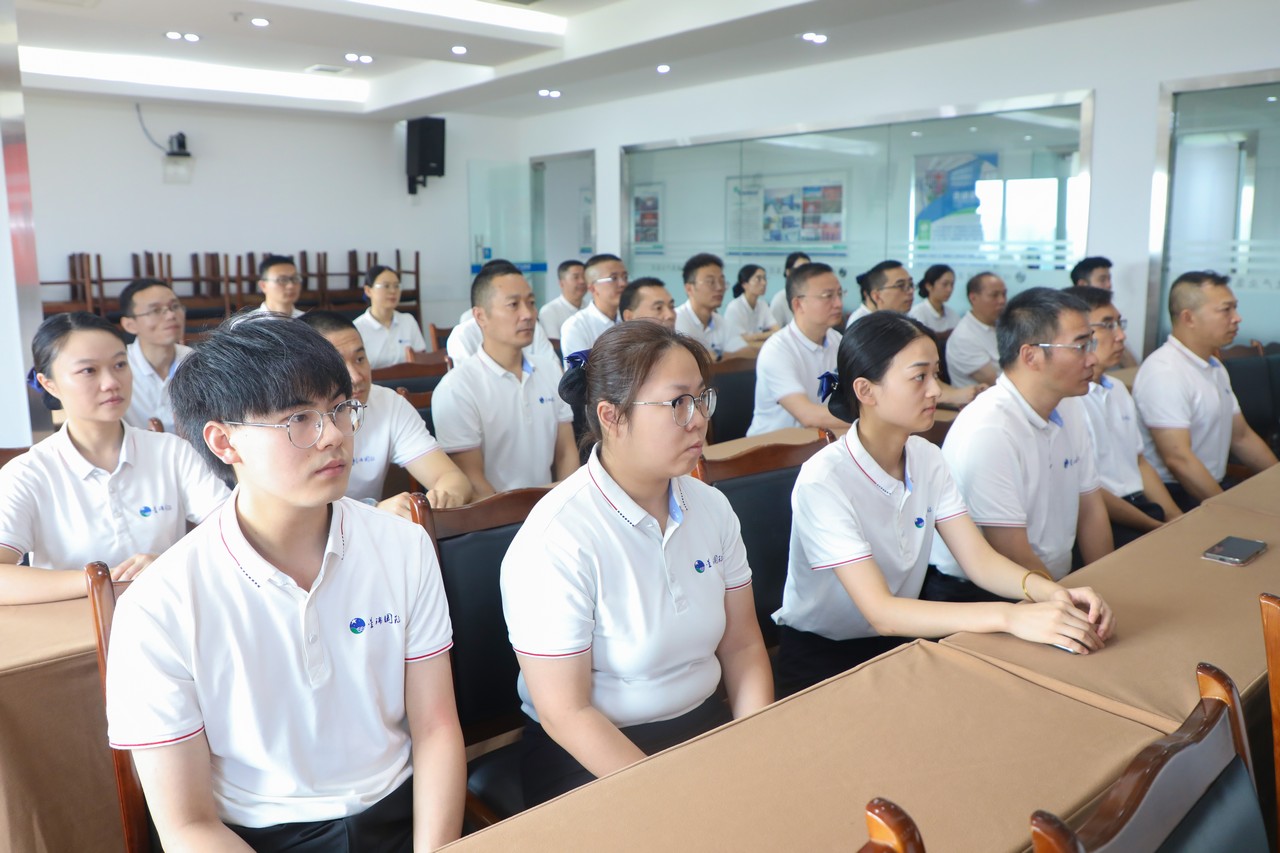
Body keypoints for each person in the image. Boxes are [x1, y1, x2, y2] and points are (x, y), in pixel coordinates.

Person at [105, 314, 466, 851]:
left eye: (340, 409)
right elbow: (186, 823)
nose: (336, 436)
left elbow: (436, 730)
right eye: (299, 419)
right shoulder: (161, 604)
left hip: (400, 813)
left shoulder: (403, 546)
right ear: (225, 443)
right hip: (256, 836)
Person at [500, 321, 773, 806]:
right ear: (612, 416)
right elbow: (567, 713)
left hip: (702, 725)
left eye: (701, 399)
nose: (698, 420)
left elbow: (743, 646)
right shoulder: (557, 538)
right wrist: (665, 797)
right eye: (677, 403)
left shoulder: (711, 508)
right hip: (592, 754)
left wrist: (755, 744)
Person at [772, 312, 1114, 695]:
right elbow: (882, 612)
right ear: (866, 391)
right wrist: (1011, 616)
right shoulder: (824, 479)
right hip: (824, 658)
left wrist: (1052, 593)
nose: (935, 390)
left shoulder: (926, 457)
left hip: (904, 638)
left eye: (936, 375)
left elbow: (979, 560)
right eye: (920, 377)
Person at [0, 312, 228, 606]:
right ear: (49, 384)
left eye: (120, 364)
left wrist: (167, 563)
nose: (111, 382)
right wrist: (101, 579)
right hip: (76, 634)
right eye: (88, 371)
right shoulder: (28, 473)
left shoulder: (171, 452)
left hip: (169, 617)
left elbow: (232, 534)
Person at [929, 288, 1113, 598]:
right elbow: (1010, 552)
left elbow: (1091, 508)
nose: (1092, 358)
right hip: (986, 591)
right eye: (1081, 346)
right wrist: (1067, 603)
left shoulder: (1068, 404)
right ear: (1031, 356)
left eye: (1091, 344)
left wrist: (1108, 587)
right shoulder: (989, 429)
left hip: (1053, 582)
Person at [1133, 271, 1277, 510]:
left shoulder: (1214, 366)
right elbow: (1178, 459)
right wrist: (1227, 509)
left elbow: (1241, 437)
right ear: (1189, 318)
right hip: (1176, 492)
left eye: (1235, 308)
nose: (1237, 318)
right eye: (1226, 310)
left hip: (1210, 484)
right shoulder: (1165, 372)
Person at [301, 312, 471, 514]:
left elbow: (452, 479)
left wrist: (442, 498)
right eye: (339, 365)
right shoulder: (294, 422)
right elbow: (297, 518)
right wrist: (375, 511)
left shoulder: (388, 404)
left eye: (360, 359)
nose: (356, 377)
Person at [433, 265, 578, 497]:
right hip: (493, 521)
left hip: (551, 510)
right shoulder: (457, 388)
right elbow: (472, 480)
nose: (529, 314)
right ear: (480, 316)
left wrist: (563, 502)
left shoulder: (550, 369)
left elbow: (566, 452)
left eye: (531, 302)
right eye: (513, 305)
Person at [1070, 287, 1181, 546]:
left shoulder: (1117, 388)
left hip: (1142, 505)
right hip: (1102, 515)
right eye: (1107, 325)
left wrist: (1175, 516)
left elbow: (1139, 462)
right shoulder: (1068, 401)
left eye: (1119, 324)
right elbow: (1086, 491)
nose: (1121, 336)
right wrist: (1155, 526)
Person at [843, 261, 980, 409]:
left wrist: (956, 394)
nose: (910, 291)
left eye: (910, 285)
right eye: (901, 286)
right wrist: (955, 395)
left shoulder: (895, 320)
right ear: (877, 296)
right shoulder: (862, 326)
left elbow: (922, 372)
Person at [747, 262, 849, 436]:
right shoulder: (777, 350)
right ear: (798, 304)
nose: (838, 303)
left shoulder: (838, 341)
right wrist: (873, 420)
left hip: (820, 442)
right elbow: (807, 415)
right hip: (772, 452)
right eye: (828, 296)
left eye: (839, 294)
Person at [118, 278, 192, 432]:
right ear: (129, 325)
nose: (171, 315)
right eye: (156, 310)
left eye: (175, 306)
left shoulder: (196, 362)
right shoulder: (118, 368)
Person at [674, 253, 750, 360]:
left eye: (722, 281)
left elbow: (747, 352)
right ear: (689, 289)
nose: (719, 288)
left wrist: (718, 357)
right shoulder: (677, 320)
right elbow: (687, 359)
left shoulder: (720, 321)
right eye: (710, 282)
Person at [353, 264, 427, 369]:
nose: (393, 291)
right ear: (368, 290)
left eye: (396, 286)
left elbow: (421, 360)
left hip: (410, 383)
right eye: (386, 286)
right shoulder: (357, 328)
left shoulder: (408, 321)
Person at [560, 253, 628, 365]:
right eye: (614, 278)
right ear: (592, 287)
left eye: (625, 277)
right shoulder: (576, 326)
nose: (623, 283)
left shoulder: (630, 318)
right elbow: (582, 374)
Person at [946, 271, 1006, 387]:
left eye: (1004, 294)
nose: (1002, 301)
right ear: (973, 298)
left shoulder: (1001, 326)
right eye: (994, 295)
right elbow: (997, 382)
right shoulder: (963, 338)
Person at [846, 260, 913, 329]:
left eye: (911, 284)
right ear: (877, 296)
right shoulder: (861, 325)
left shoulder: (900, 316)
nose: (911, 291)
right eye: (900, 285)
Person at [722, 264, 779, 346]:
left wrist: (754, 337)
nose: (764, 283)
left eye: (764, 278)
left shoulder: (762, 305)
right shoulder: (734, 307)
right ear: (745, 284)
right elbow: (740, 340)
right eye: (758, 279)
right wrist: (765, 336)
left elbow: (777, 331)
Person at [538, 259, 587, 341]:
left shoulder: (590, 308)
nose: (582, 281)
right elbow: (555, 344)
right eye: (576, 277)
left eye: (584, 277)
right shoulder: (549, 311)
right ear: (561, 283)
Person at [908, 264, 960, 334]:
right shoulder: (917, 313)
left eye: (952, 284)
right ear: (929, 286)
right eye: (945, 284)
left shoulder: (952, 314)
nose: (949, 289)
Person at [769, 252, 810, 327]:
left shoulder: (812, 296)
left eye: (808, 269)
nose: (805, 273)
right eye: (800, 269)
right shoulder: (779, 299)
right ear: (788, 272)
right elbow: (774, 332)